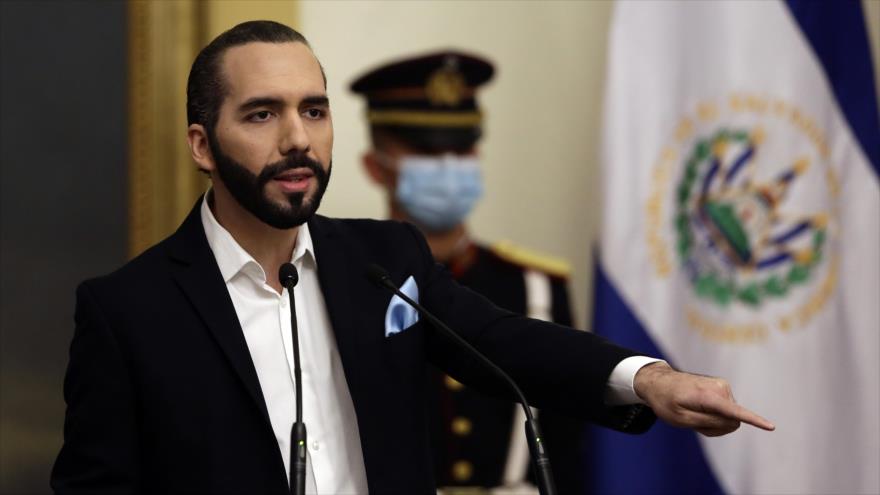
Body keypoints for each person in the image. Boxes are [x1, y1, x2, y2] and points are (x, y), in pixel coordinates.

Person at [51, 21, 774, 495]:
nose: (298, 139)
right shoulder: (128, 311)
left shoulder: (383, 257)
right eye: (262, 113)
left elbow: (501, 339)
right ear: (202, 145)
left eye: (313, 110)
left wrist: (649, 379)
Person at [350, 51, 585, 492]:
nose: (448, 165)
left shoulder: (535, 288)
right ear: (375, 166)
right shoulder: (347, 283)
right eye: (426, 151)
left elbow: (569, 448)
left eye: (461, 149)